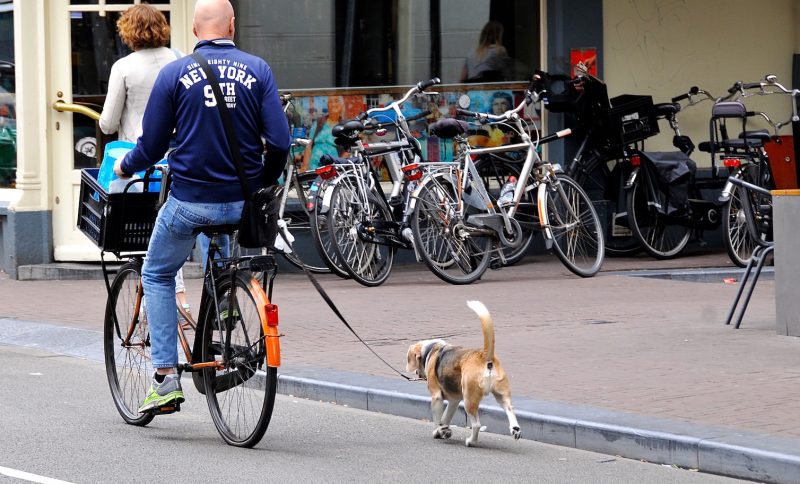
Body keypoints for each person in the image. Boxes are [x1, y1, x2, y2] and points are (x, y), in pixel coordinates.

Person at [114, 0, 290, 413]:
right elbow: (280, 143)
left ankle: (166, 378)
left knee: (156, 273)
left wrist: (125, 165)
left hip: (191, 202)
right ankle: (226, 306)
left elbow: (152, 145)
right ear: (233, 25)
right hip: (241, 205)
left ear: (193, 30)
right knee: (226, 246)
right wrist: (263, 182)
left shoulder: (174, 73)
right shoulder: (259, 69)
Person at [97, 4, 193, 316]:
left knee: (151, 231)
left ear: (128, 32)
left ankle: (166, 298)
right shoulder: (180, 59)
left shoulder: (124, 68)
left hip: (140, 163)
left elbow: (109, 123)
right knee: (170, 227)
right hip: (180, 158)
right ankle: (180, 296)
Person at [301, 95, 344, 172]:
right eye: (330, 102)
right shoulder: (319, 122)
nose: (333, 104)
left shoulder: (344, 126)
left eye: (336, 101)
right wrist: (304, 166)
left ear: (341, 105)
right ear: (327, 106)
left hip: (332, 169)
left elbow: (347, 151)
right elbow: (309, 145)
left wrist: (339, 168)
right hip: (313, 167)